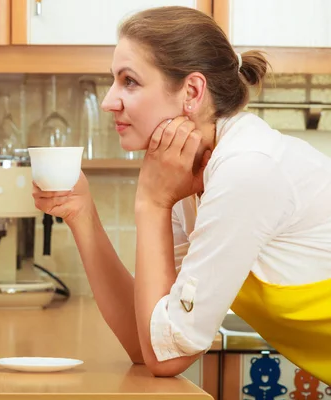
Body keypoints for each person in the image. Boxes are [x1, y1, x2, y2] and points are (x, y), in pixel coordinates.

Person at [32, 5, 331, 384]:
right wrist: (81, 214)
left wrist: (152, 202)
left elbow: (166, 356)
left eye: (130, 81)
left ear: (192, 91)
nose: (110, 100)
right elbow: (149, 342)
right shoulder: (187, 172)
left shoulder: (246, 170)